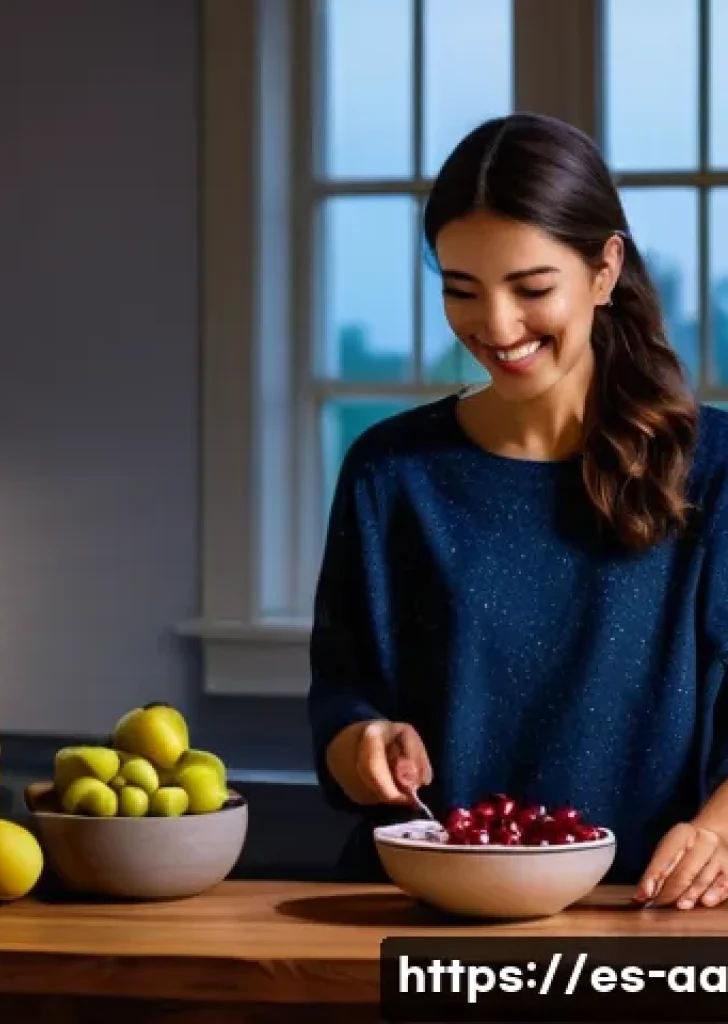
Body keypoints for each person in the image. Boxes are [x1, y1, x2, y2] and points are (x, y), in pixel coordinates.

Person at [307, 111, 728, 911]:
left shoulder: (715, 471)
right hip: (421, 921)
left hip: (642, 916)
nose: (495, 328)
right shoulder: (390, 472)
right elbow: (341, 695)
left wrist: (717, 834)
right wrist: (359, 742)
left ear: (605, 270)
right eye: (460, 291)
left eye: (531, 289)